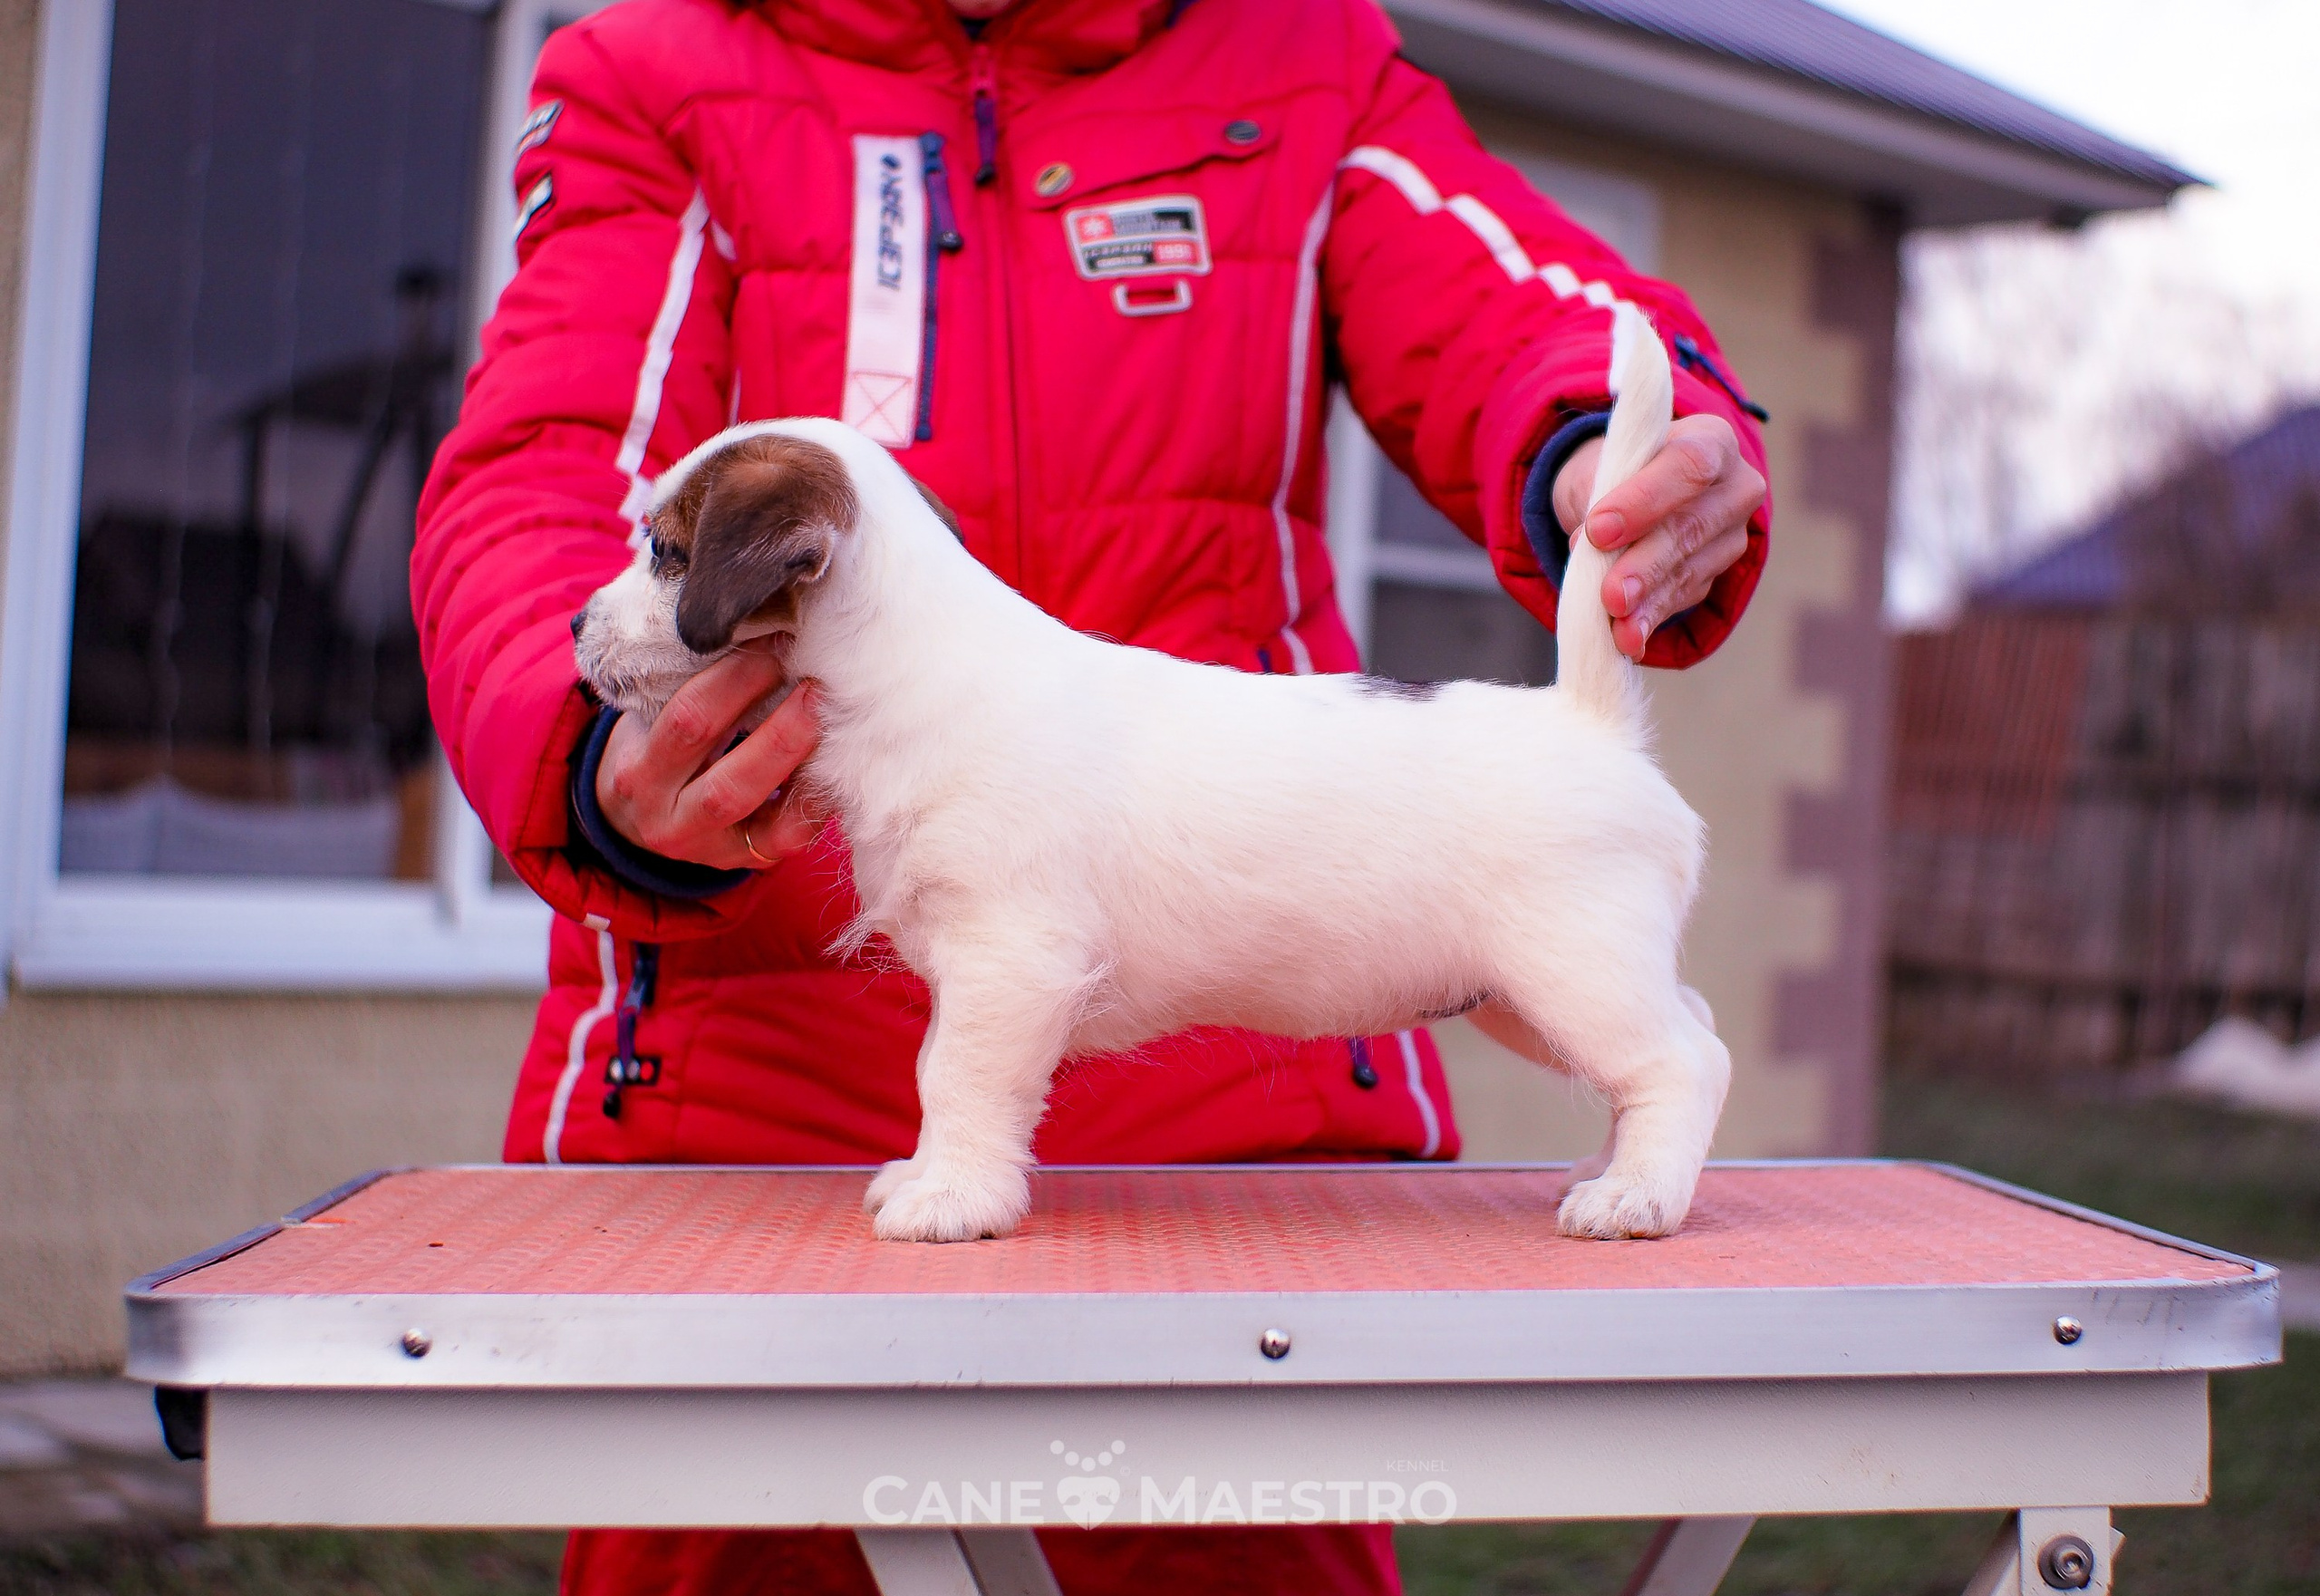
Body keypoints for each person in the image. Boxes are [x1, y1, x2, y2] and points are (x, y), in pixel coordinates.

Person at [414, 0, 1770, 1590]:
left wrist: (1613, 461)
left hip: (1261, 1159)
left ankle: (1660, 1082)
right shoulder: (650, 72)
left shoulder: (1306, 55)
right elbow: (540, 465)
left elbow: (1515, 297)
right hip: (744, 1129)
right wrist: (582, 746)